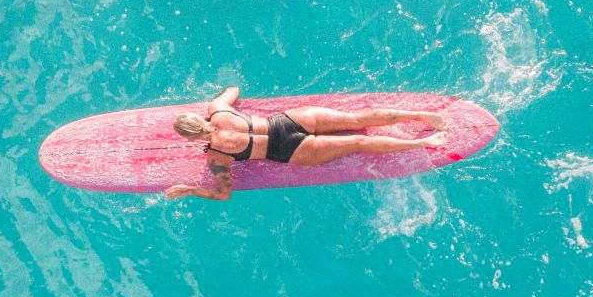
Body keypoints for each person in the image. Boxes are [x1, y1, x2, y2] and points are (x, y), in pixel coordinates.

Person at [164, 86, 446, 201]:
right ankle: (419, 116)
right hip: (286, 122)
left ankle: (424, 142)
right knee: (356, 119)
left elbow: (224, 194)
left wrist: (190, 190)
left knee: (359, 141)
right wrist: (219, 97)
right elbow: (234, 89)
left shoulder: (216, 157)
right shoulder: (219, 109)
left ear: (189, 138)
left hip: (286, 151)